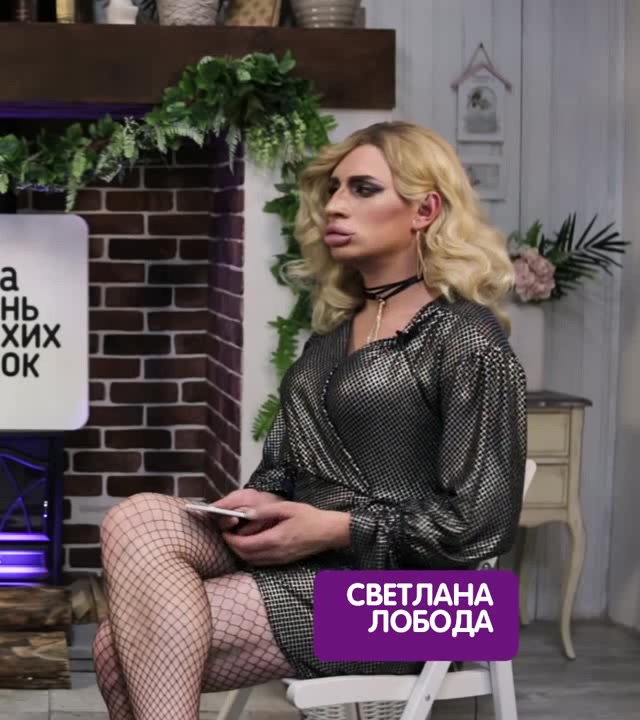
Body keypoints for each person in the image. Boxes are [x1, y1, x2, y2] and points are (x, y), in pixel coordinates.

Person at [91, 121, 528, 720]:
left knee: (117, 648)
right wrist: (262, 500)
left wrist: (335, 528)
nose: (336, 205)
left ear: (425, 210)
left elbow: (480, 522)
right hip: (316, 569)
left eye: (363, 189)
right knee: (134, 520)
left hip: (430, 605)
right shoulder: (331, 337)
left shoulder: (466, 340)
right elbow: (286, 466)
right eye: (334, 189)